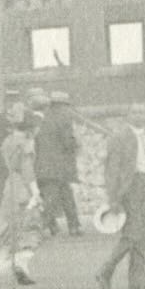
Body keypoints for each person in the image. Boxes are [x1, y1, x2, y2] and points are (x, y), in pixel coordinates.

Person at [93, 108, 145, 289]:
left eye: (143, 112)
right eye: (135, 112)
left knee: (141, 237)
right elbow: (112, 169)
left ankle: (138, 286)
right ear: (127, 116)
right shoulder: (119, 137)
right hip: (130, 189)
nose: (139, 115)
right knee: (132, 233)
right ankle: (105, 270)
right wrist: (113, 197)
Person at [0, 102, 42, 285]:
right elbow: (27, 169)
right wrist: (35, 192)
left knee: (10, 226)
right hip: (23, 186)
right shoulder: (26, 143)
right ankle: (15, 264)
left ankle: (7, 263)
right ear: (30, 128)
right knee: (31, 228)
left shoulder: (7, 141)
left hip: (10, 185)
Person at [33, 95, 82, 237]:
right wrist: (76, 143)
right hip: (57, 167)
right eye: (67, 105)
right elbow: (68, 143)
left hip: (43, 167)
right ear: (61, 105)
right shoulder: (63, 119)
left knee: (62, 196)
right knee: (55, 198)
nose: (68, 109)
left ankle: (70, 226)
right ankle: (43, 228)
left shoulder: (42, 120)